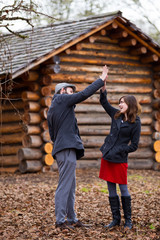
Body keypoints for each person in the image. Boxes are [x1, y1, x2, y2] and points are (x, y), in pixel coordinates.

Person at [47, 65, 108, 231]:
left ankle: (72, 218)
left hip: (63, 148)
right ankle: (60, 221)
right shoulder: (60, 100)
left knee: (70, 185)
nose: (72, 93)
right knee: (64, 185)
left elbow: (52, 134)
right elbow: (84, 94)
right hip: (65, 149)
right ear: (61, 92)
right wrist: (101, 79)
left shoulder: (56, 108)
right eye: (69, 90)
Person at [99, 66, 141, 230]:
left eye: (122, 102)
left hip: (120, 159)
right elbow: (104, 102)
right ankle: (115, 219)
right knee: (110, 189)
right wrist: (103, 84)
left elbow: (134, 146)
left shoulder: (135, 122)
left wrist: (121, 150)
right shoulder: (115, 115)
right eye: (119, 102)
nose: (119, 104)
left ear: (130, 104)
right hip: (107, 156)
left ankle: (128, 220)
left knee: (123, 188)